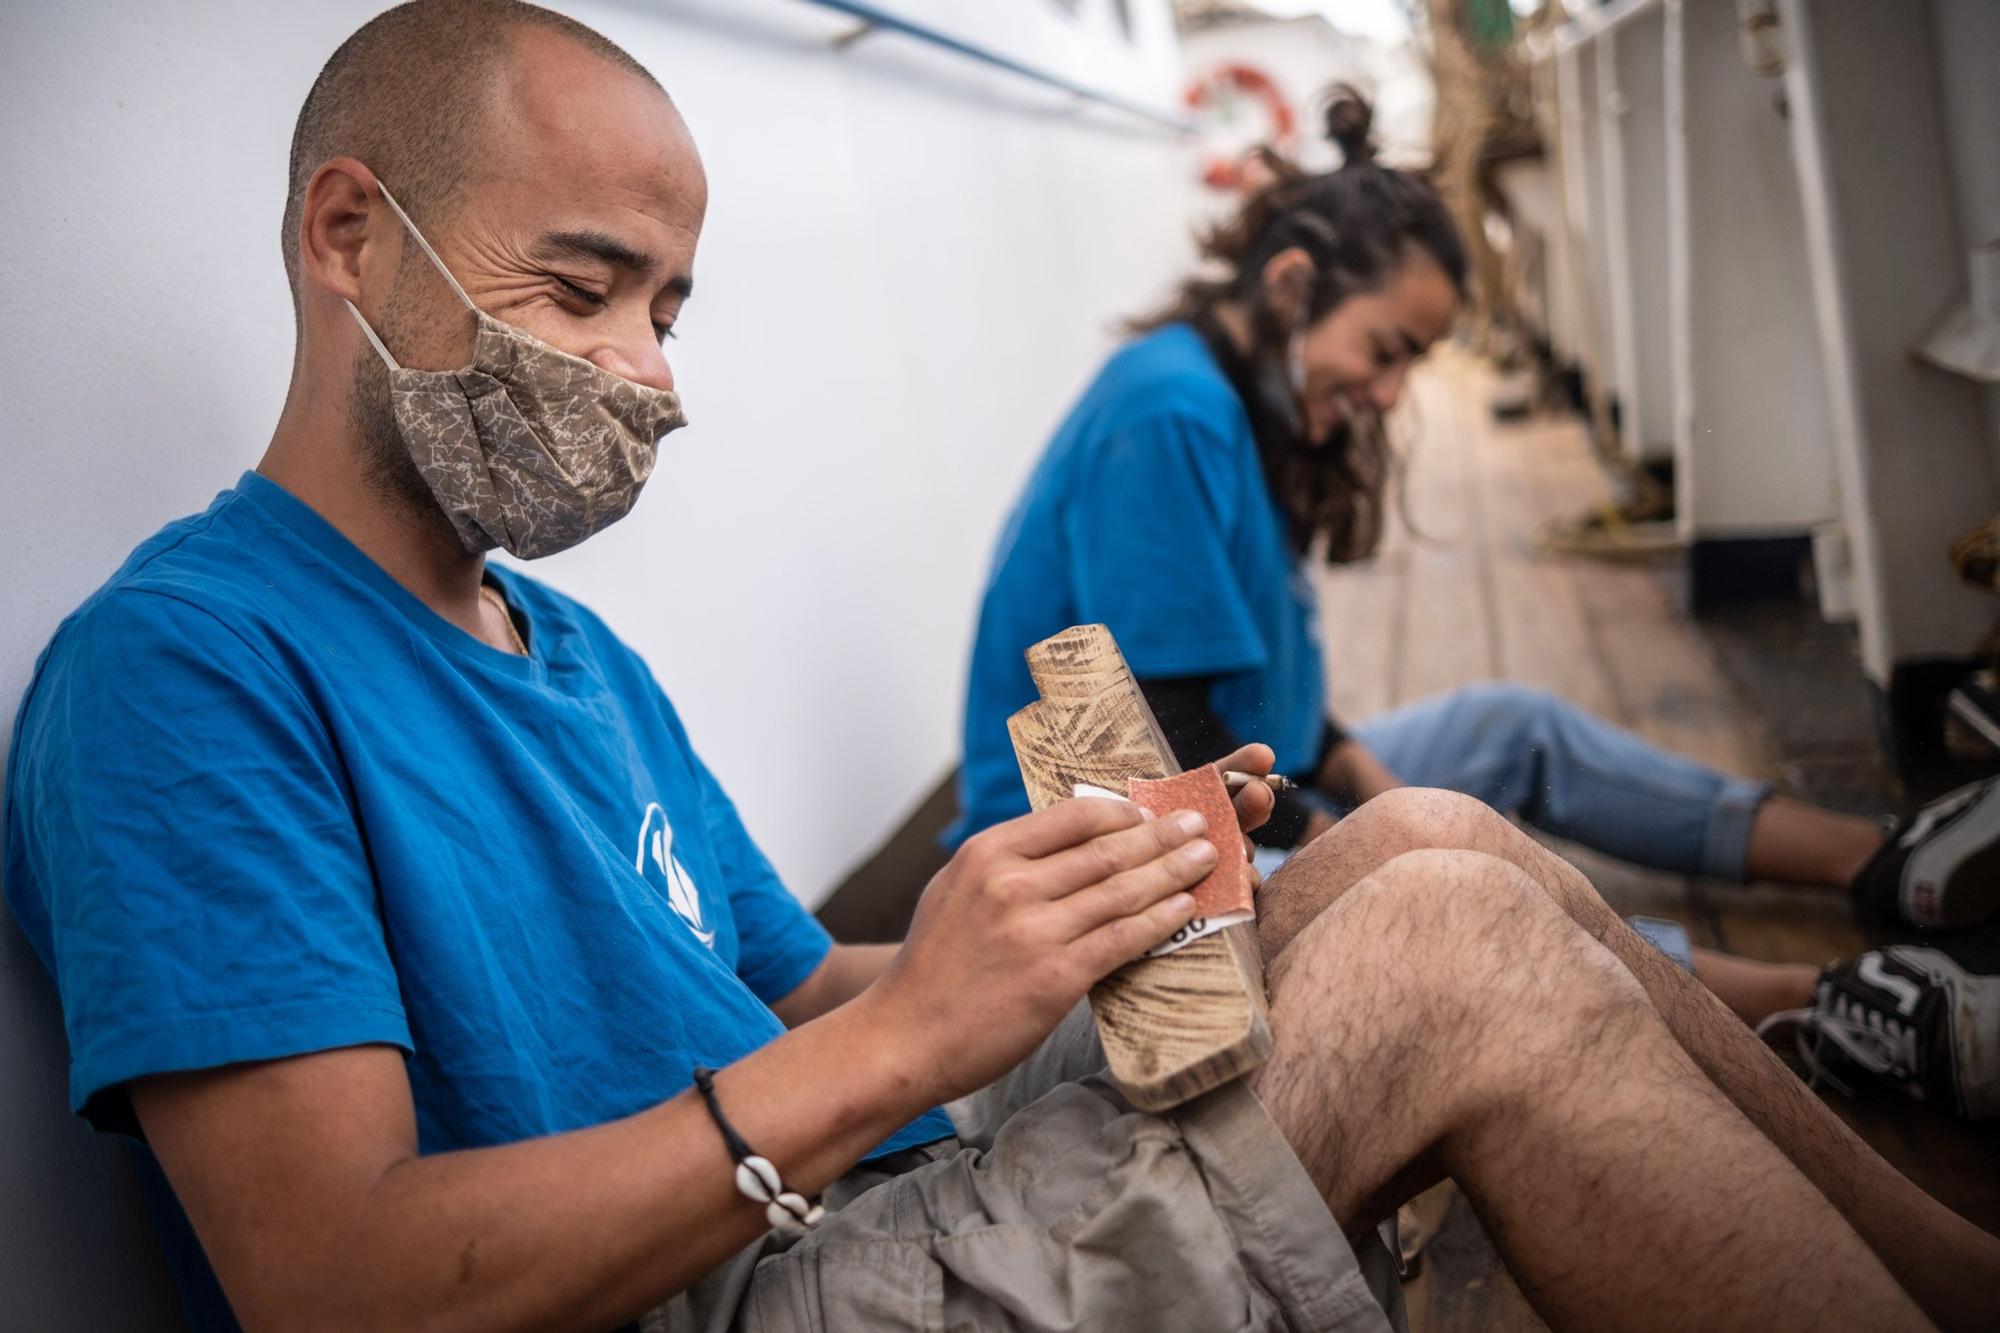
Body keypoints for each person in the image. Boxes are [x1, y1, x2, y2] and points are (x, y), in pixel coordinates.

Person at [4, 5, 1996, 1329]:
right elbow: (336, 1282)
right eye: (584, 286)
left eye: (671, 305)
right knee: (1450, 959)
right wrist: (905, 1039)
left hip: (861, 1177)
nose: (649, 375)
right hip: (739, 1287)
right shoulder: (186, 676)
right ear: (351, 232)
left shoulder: (566, 645)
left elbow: (794, 984)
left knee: (1424, 848)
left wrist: (1067, 917)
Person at [949, 89, 2000, 1113]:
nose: (1391, 391)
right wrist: (1373, 826)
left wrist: (1357, 770)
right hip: (1099, 866)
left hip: (1215, 792)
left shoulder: (1232, 399)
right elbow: (1170, 744)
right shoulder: (1171, 413)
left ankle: (1877, 861)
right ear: (1289, 286)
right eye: (1385, 350)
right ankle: (1810, 1015)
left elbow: (1257, 698)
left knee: (1510, 729)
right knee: (1449, 868)